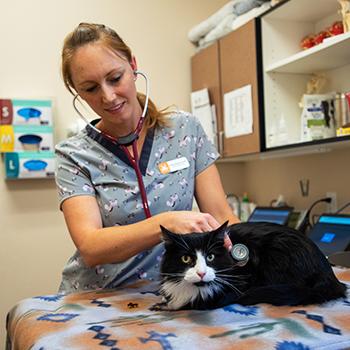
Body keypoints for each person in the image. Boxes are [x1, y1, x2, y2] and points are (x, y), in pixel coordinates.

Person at [55, 22, 239, 293]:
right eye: (90, 88)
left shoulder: (185, 130)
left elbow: (222, 215)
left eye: (115, 78)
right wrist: (167, 223)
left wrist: (256, 249)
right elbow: (91, 246)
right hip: (97, 298)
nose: (108, 96)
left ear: (133, 65)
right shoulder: (73, 156)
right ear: (77, 92)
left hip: (175, 294)